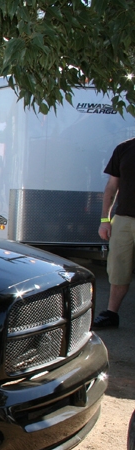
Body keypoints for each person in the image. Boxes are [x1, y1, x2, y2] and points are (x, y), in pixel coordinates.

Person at [93, 137, 135, 329]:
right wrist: (105, 220)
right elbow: (112, 186)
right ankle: (111, 314)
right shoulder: (124, 149)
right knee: (118, 270)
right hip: (123, 219)